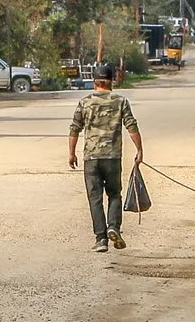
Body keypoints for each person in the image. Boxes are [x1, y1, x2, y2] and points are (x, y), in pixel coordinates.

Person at [67, 62, 144, 252]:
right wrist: (140, 150)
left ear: (95, 82)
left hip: (91, 158)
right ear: (111, 82)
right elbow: (131, 126)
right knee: (114, 194)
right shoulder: (121, 101)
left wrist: (71, 153)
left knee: (95, 198)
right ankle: (113, 227)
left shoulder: (85, 103)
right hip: (112, 158)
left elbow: (74, 128)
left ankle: (101, 239)